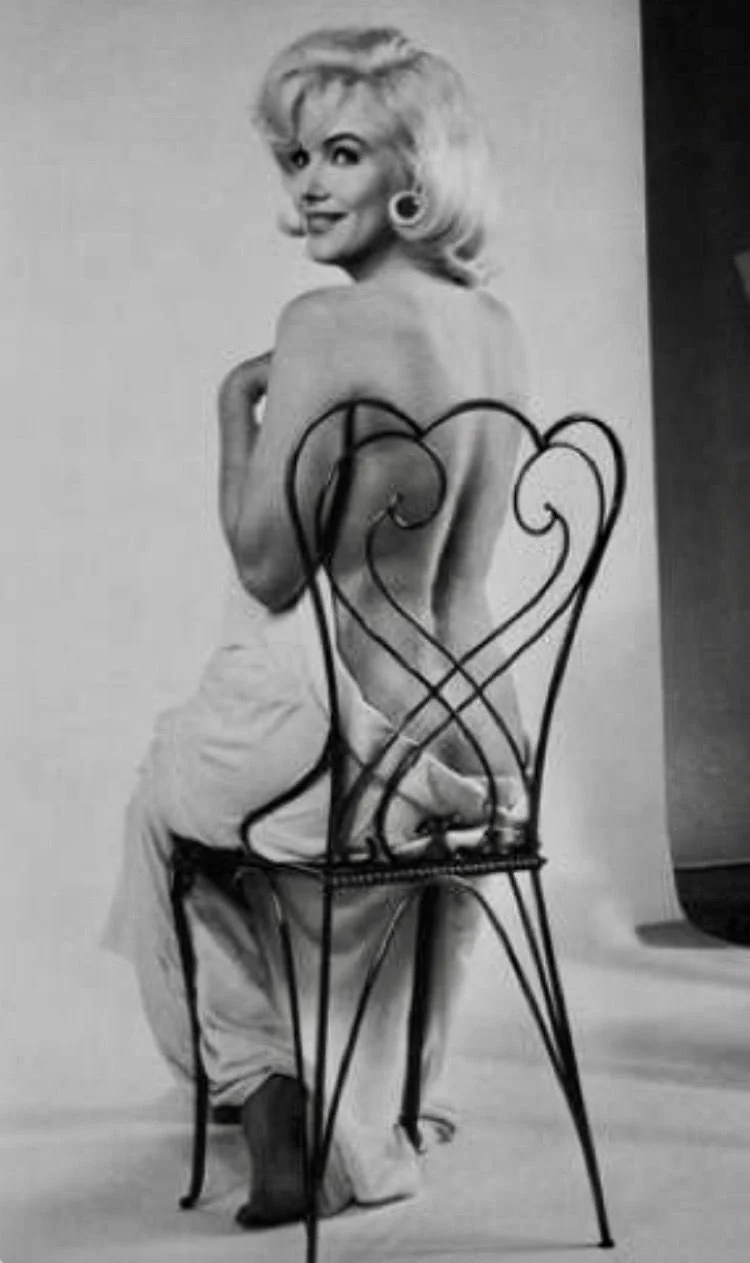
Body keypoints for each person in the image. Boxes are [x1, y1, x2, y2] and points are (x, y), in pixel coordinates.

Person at [102, 26, 529, 1229]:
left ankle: (265, 1093)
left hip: (354, 745)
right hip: (484, 752)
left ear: (417, 169)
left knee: (164, 815)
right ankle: (370, 1093)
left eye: (344, 153)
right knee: (228, 810)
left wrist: (231, 410)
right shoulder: (497, 327)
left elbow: (265, 563)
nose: (310, 186)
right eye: (297, 157)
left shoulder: (323, 326)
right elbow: (460, 575)